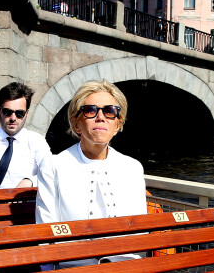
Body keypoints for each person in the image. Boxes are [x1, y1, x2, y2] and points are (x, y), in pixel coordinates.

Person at [36, 79, 147, 269]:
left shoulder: (132, 167)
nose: (101, 117)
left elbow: (140, 234)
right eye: (90, 110)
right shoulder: (54, 165)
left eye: (110, 111)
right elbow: (46, 232)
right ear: (76, 123)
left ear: (118, 124)